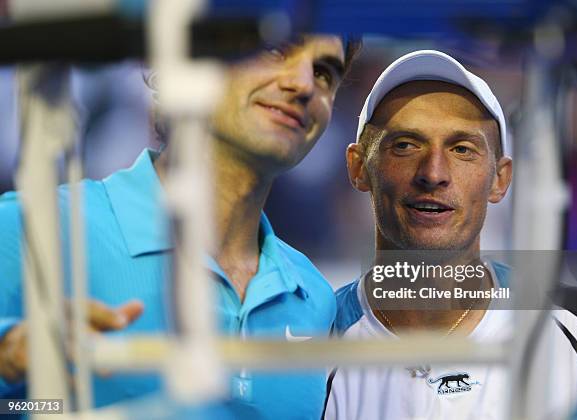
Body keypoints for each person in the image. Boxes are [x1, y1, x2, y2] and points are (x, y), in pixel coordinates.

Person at [0, 34, 360, 419]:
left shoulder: (316, 299)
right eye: (273, 49)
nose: (303, 85)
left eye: (324, 73)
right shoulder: (30, 227)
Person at [324, 50, 577, 420]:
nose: (434, 172)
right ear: (359, 168)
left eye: (462, 149)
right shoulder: (315, 345)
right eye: (405, 145)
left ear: (499, 179)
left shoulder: (561, 342)